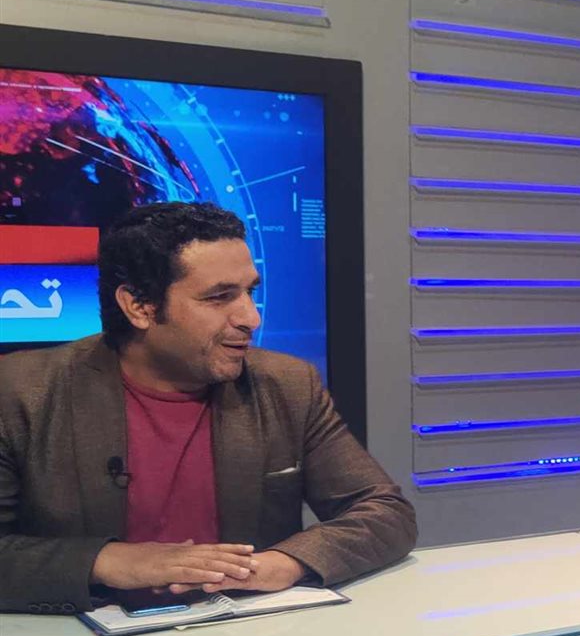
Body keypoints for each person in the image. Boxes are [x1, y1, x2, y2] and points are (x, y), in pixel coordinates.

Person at [0, 202, 417, 614]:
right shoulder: (22, 393)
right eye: (220, 297)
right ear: (139, 306)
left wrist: (283, 564)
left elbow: (385, 513)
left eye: (250, 292)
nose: (251, 318)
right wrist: (107, 561)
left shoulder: (287, 386)